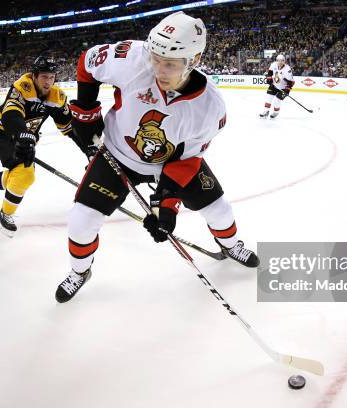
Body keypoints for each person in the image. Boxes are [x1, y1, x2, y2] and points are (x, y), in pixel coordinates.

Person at [55, 11, 260, 303]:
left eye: (170, 65)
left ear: (195, 60)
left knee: (219, 208)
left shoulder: (210, 107)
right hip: (118, 153)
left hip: (170, 162)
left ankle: (230, 244)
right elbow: (88, 61)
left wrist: (167, 207)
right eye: (155, 59)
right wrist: (86, 111)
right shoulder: (132, 58)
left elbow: (187, 160)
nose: (158, 70)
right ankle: (79, 271)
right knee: (80, 220)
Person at [0, 56, 92, 237]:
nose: (48, 82)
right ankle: (5, 214)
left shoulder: (57, 97)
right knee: (25, 175)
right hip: (3, 133)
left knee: (21, 176)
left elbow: (69, 128)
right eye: (44, 77)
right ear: (35, 76)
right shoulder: (22, 87)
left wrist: (88, 149)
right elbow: (11, 114)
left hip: (26, 138)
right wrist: (22, 134)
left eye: (52, 77)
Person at [259, 54, 294, 119]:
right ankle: (266, 111)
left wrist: (287, 90)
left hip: (283, 88)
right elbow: (270, 73)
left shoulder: (287, 69)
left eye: (282, 61)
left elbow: (291, 82)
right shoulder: (273, 65)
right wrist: (269, 80)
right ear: (276, 61)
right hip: (274, 85)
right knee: (268, 98)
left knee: (277, 100)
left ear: (284, 61)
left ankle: (276, 112)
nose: (280, 62)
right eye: (279, 61)